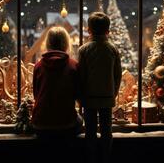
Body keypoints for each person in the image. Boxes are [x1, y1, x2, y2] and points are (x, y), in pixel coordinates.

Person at [78, 12, 122, 163]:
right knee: (106, 130)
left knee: (90, 131)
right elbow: (118, 75)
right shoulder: (113, 49)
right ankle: (106, 157)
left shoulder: (83, 50)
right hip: (107, 97)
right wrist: (114, 93)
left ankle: (90, 158)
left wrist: (80, 97)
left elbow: (81, 76)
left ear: (88, 30)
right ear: (108, 31)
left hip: (89, 98)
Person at [32, 26, 82, 140]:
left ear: (48, 43)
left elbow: (36, 94)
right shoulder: (73, 65)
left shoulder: (38, 66)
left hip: (40, 123)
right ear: (66, 43)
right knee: (80, 121)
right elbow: (78, 95)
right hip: (66, 123)